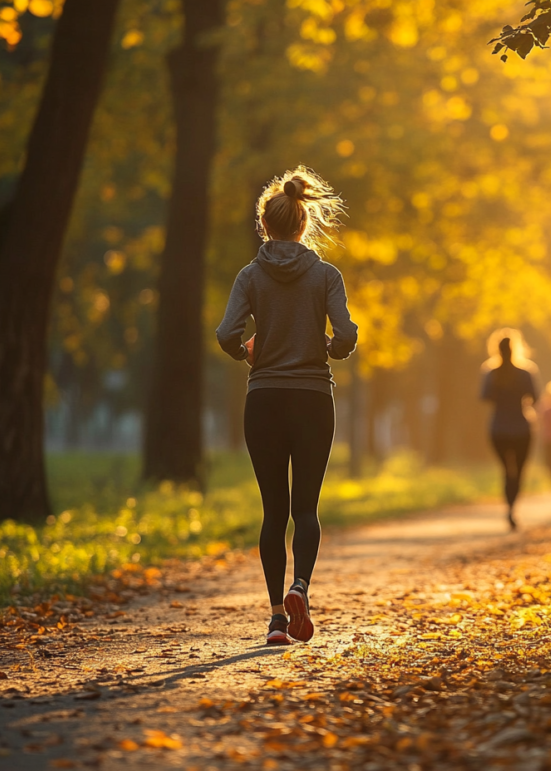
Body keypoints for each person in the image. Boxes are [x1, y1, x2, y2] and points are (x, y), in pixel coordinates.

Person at [215, 166, 358, 645]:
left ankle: (277, 618)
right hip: (313, 398)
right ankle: (301, 587)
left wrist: (248, 352)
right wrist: (327, 347)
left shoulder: (250, 276)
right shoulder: (326, 275)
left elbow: (226, 334)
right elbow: (346, 336)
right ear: (303, 222)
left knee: (273, 511)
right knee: (306, 509)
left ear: (264, 224)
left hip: (265, 400)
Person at [481, 329, 538, 531]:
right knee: (519, 471)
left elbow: (484, 397)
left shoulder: (491, 373)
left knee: (507, 470)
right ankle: (512, 508)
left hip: (498, 429)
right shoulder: (525, 373)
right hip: (521, 428)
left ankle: (509, 506)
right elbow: (535, 397)